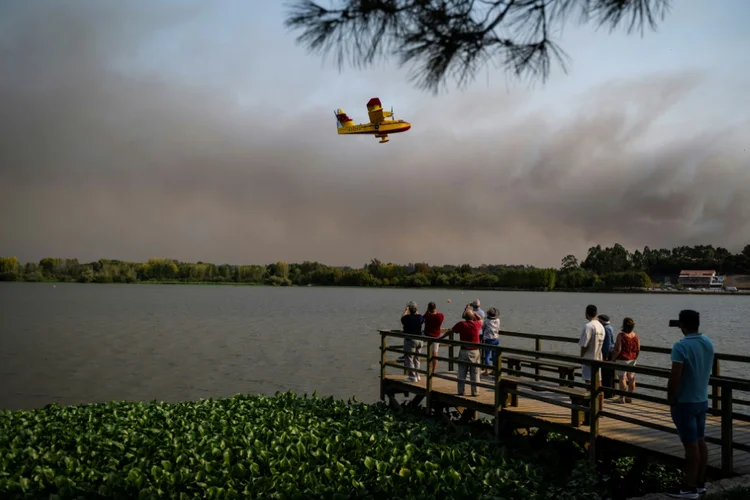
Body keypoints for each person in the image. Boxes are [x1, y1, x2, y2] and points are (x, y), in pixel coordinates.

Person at [666, 310, 714, 499]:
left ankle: (689, 487)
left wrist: (671, 397)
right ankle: (700, 483)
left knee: (690, 445)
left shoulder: (680, 346)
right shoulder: (708, 342)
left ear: (682, 325)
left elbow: (675, 376)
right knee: (700, 441)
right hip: (702, 400)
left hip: (684, 401)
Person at [439, 304, 483, 396]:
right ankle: (475, 392)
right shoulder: (476, 324)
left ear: (465, 317)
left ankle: (461, 391)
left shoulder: (461, 324)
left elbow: (450, 331)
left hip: (463, 351)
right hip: (475, 351)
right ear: (473, 317)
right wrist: (475, 313)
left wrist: (441, 338)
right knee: (475, 372)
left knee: (462, 372)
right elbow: (481, 319)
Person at [579, 304, 606, 408]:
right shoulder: (601, 326)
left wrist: (581, 357)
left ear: (586, 313)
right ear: (596, 313)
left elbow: (584, 344)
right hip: (598, 358)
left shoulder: (588, 326)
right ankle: (600, 408)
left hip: (588, 359)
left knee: (588, 386)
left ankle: (591, 408)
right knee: (599, 385)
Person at [611, 317, 640, 404]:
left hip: (622, 359)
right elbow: (638, 348)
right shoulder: (635, 336)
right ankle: (629, 396)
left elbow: (618, 349)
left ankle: (621, 397)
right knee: (631, 377)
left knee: (622, 378)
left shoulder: (621, 335)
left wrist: (613, 358)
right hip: (632, 359)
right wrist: (635, 357)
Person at [400, 301, 424, 383]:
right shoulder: (420, 317)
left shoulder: (406, 318)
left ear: (409, 309)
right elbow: (420, 317)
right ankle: (417, 375)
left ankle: (412, 376)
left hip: (410, 340)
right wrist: (415, 309)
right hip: (420, 340)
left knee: (409, 358)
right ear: (416, 309)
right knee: (417, 359)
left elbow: (402, 318)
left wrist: (406, 310)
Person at [422, 301, 445, 375]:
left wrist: (427, 311)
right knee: (435, 354)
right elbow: (437, 314)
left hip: (426, 335)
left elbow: (422, 318)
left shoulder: (427, 316)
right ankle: (433, 371)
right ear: (435, 308)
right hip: (436, 337)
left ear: (428, 308)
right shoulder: (440, 316)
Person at [598, 314, 616, 398]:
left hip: (607, 354)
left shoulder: (606, 328)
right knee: (609, 374)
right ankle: (610, 392)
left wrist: (605, 355)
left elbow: (607, 343)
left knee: (606, 374)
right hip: (610, 352)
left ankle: (607, 393)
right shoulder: (610, 327)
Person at [481, 307, 501, 376]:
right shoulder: (498, 320)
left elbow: (482, 327)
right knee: (494, 355)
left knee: (487, 355)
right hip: (496, 339)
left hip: (488, 339)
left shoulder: (486, 320)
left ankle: (486, 370)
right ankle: (494, 370)